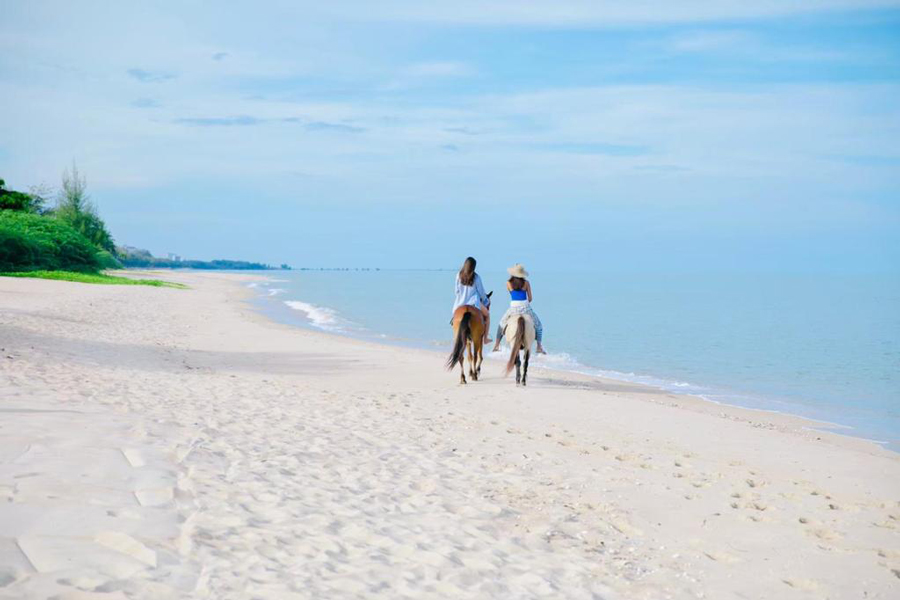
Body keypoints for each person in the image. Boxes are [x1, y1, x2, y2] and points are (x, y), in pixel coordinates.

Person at [492, 263, 546, 354]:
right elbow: (530, 298)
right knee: (539, 326)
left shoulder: (508, 283)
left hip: (513, 309)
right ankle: (539, 346)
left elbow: (512, 295)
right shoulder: (526, 283)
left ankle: (496, 345)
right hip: (526, 308)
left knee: (501, 324)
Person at [451, 256, 492, 344]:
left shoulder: (458, 275)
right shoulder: (476, 277)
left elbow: (456, 291)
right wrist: (486, 301)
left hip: (460, 303)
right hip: (473, 303)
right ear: (473, 267)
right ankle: (485, 339)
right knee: (487, 315)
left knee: (454, 318)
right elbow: (481, 293)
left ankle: (455, 334)